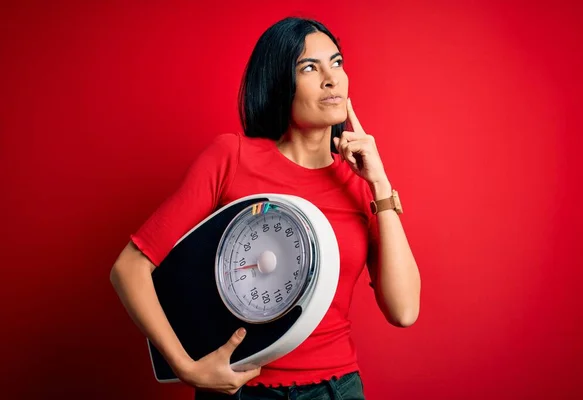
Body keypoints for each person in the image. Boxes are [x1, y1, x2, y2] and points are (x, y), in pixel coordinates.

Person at [110, 16, 421, 400]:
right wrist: (186, 367)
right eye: (310, 67)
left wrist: (381, 183)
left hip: (335, 390)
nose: (331, 78)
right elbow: (129, 268)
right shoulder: (231, 157)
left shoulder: (362, 182)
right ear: (279, 84)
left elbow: (404, 311)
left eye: (337, 63)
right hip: (240, 391)